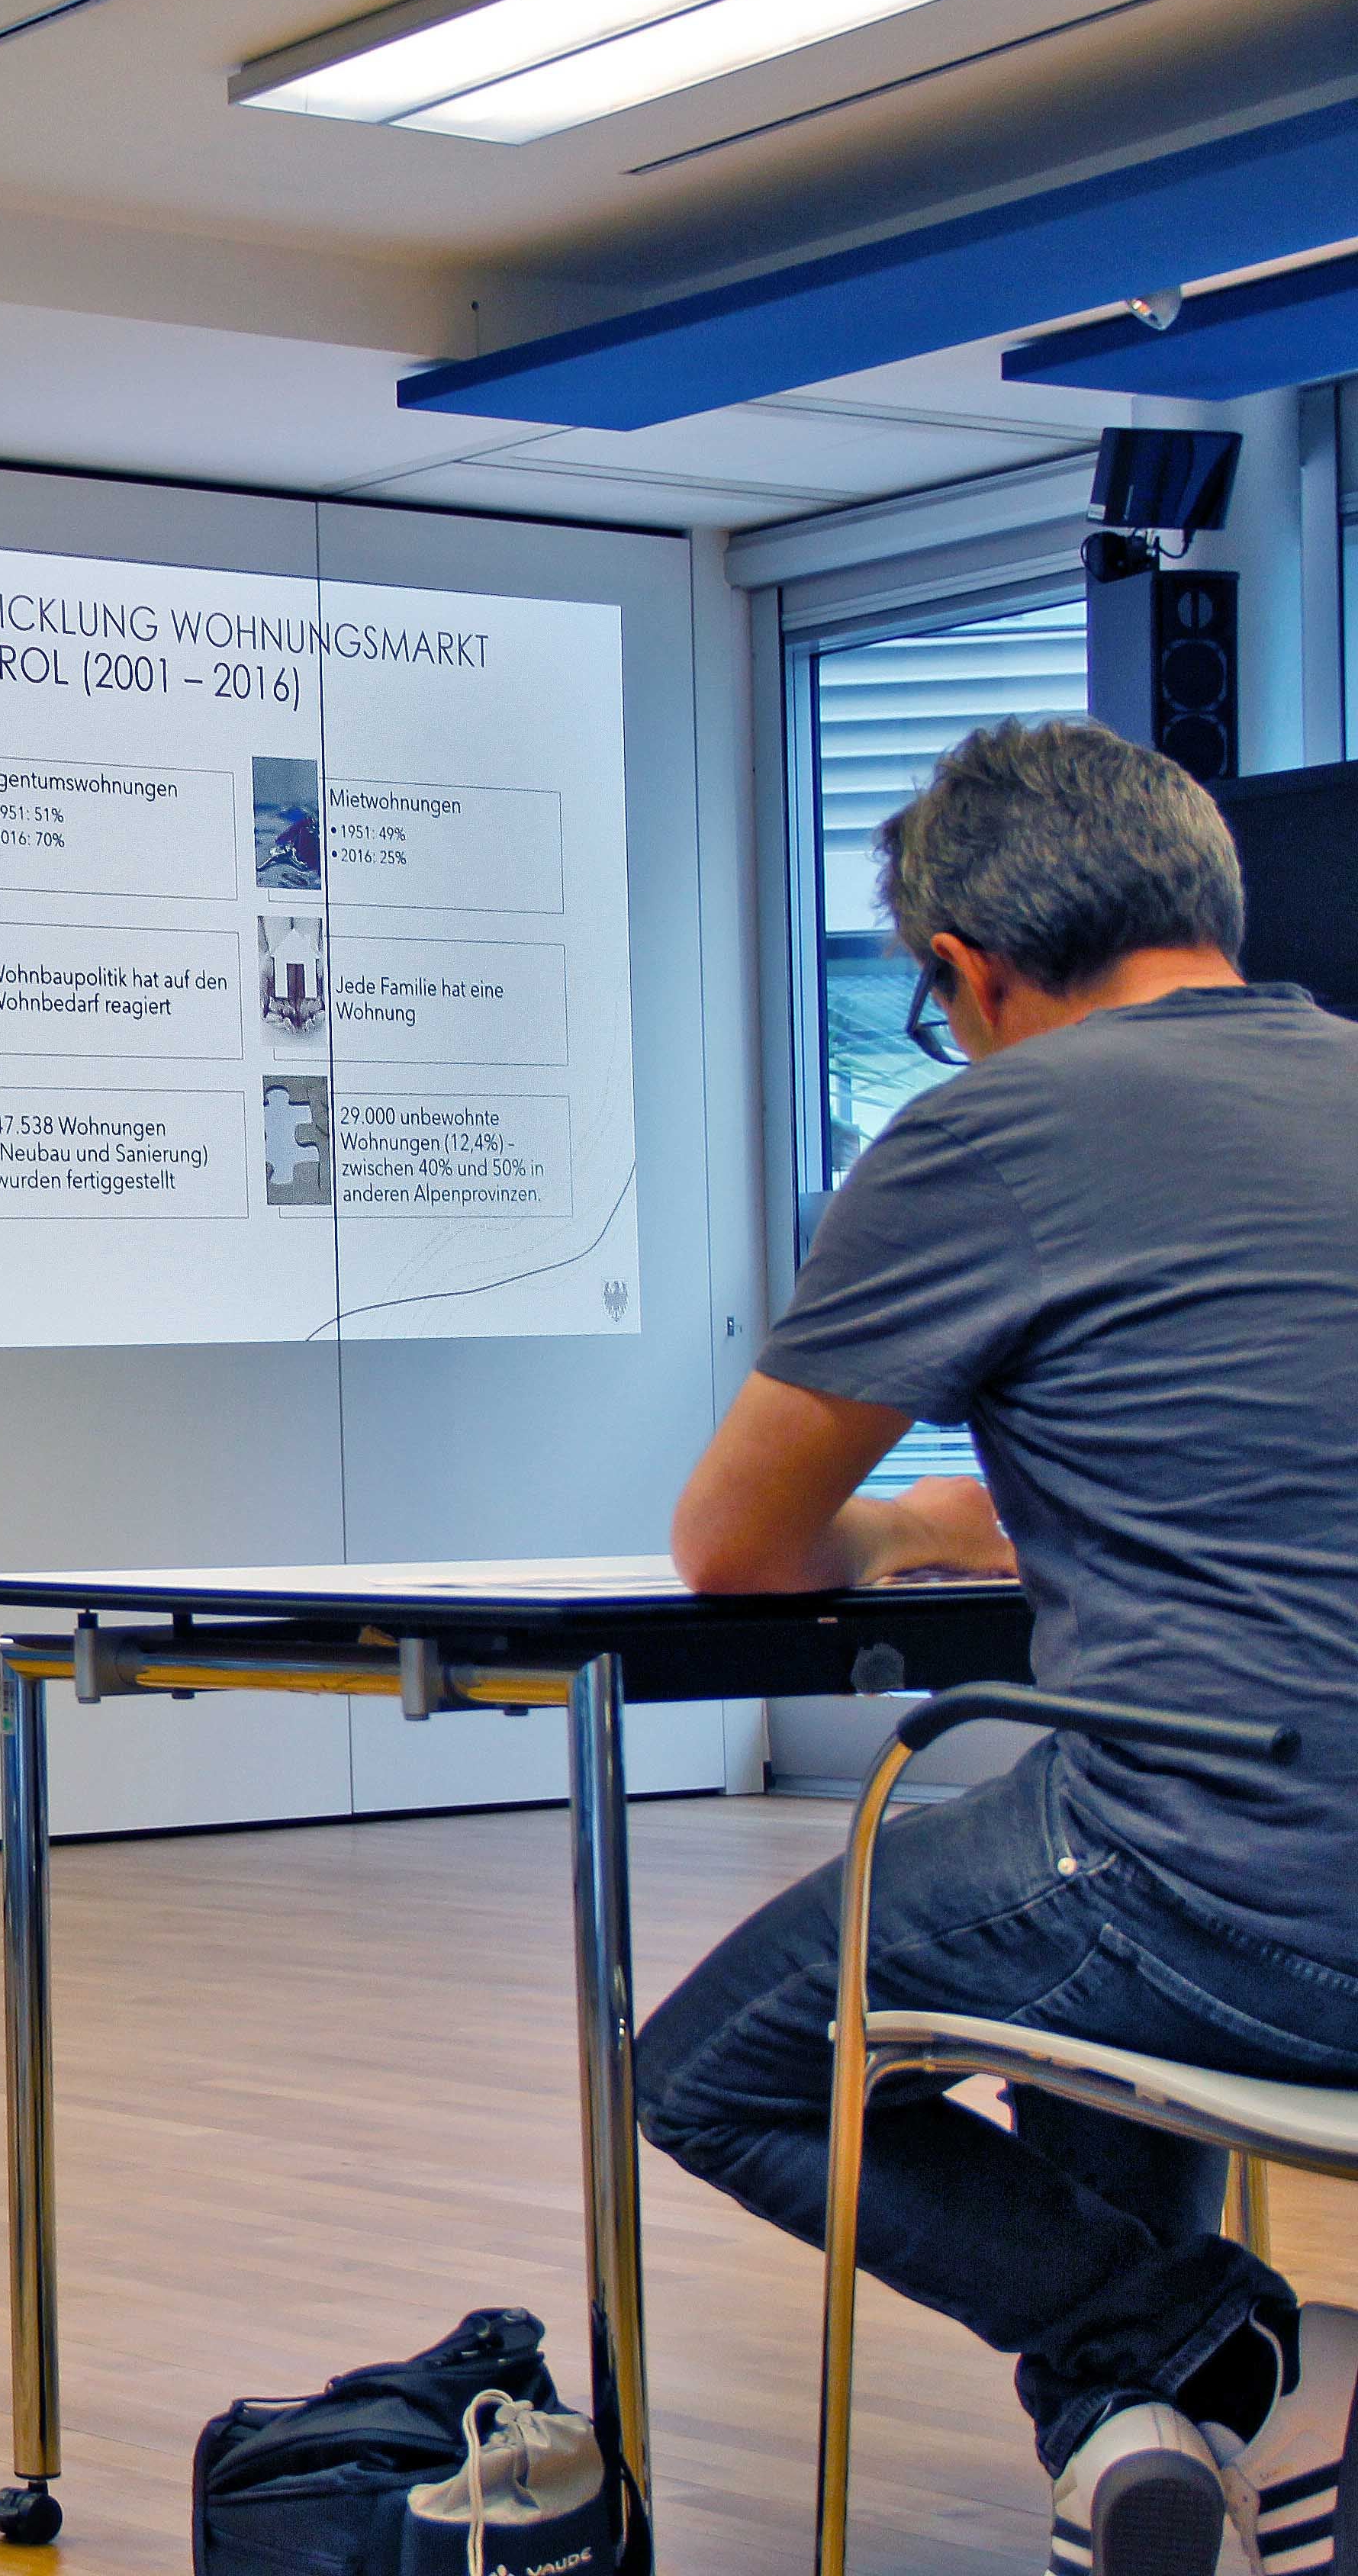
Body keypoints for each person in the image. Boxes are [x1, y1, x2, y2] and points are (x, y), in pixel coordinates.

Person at [639, 719, 1358, 2576]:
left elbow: (736, 1543)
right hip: (1260, 1861)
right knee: (1077, 1916)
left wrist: (902, 1527)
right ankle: (1142, 2444)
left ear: (967, 970)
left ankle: (1232, 2354)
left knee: (712, 2069)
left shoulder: (986, 1128)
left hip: (1253, 1896)